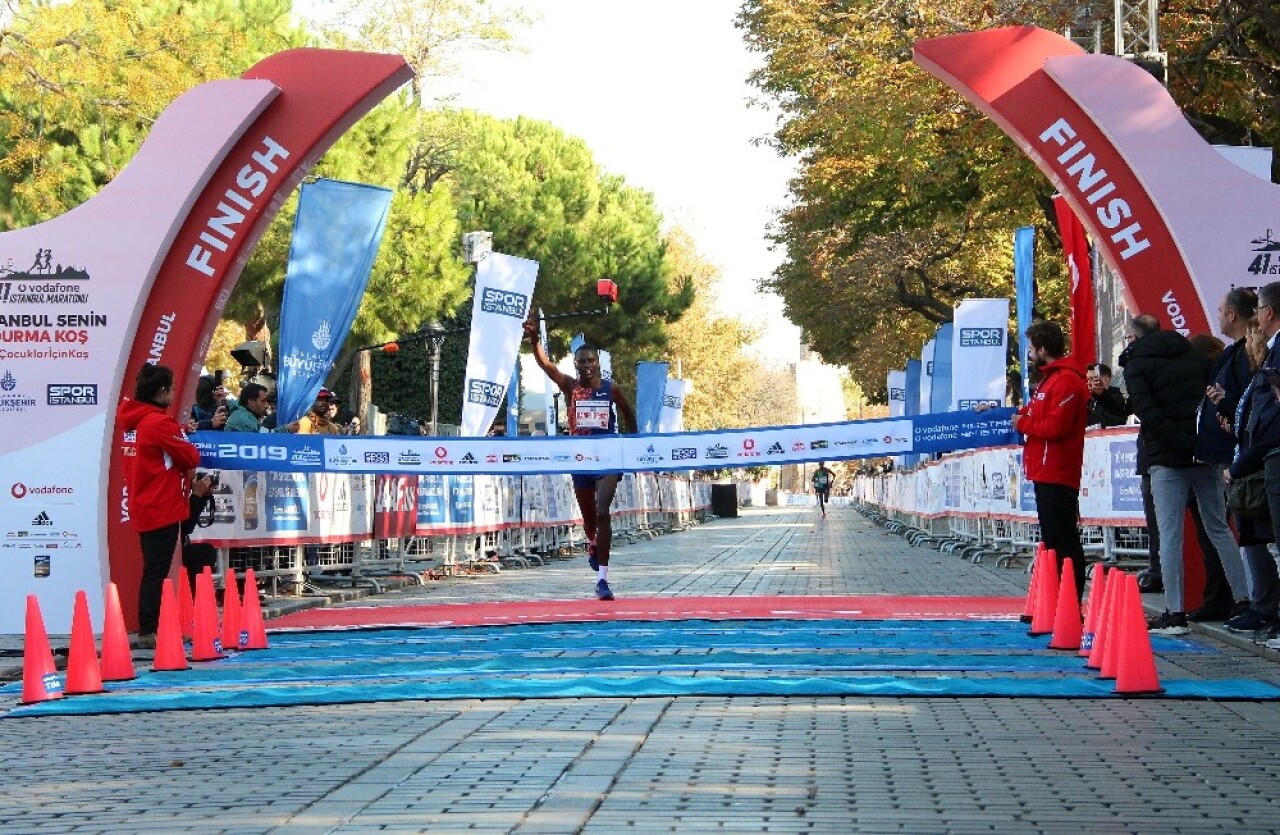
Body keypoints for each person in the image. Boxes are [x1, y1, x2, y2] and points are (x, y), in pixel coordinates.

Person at [1120, 314, 1249, 635]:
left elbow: (1147, 412)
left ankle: (1174, 613)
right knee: (1219, 528)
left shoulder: (1136, 364)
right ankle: (1245, 601)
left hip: (1167, 458)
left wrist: (1179, 443)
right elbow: (1207, 403)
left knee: (1170, 535)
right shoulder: (1192, 353)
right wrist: (1199, 445)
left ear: (1134, 337)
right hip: (1203, 455)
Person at [524, 318, 636, 600]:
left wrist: (632, 446)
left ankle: (603, 580)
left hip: (608, 457)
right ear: (576, 365)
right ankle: (592, 543)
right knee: (589, 519)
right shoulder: (571, 387)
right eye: (581, 362)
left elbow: (629, 414)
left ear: (598, 363)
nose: (586, 365)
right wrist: (535, 340)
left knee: (602, 512)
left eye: (590, 361)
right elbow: (546, 365)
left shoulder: (611, 389)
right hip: (581, 459)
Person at [117, 364, 202, 648]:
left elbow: (162, 447)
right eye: (173, 388)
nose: (175, 393)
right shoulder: (157, 424)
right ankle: (148, 630)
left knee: (154, 569)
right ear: (162, 391)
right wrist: (181, 435)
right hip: (162, 505)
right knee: (156, 571)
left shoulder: (136, 421)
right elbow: (190, 457)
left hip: (144, 503)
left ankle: (151, 627)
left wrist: (178, 431)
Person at [1010, 321, 1088, 604]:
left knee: (1063, 539)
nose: (1030, 354)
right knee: (1053, 540)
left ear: (1043, 349)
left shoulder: (1067, 379)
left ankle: (1070, 600)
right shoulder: (1050, 379)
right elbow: (1030, 412)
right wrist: (1012, 416)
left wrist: (1024, 424)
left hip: (1058, 470)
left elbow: (1055, 427)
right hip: (1044, 469)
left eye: (1031, 349)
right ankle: (1057, 600)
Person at [182, 473, 219, 593]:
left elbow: (187, 526)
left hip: (176, 543)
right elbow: (185, 527)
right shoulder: (169, 486)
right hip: (164, 545)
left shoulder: (182, 488)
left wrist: (203, 496)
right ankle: (193, 599)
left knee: (206, 551)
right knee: (205, 552)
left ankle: (196, 599)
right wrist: (197, 495)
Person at [1084, 363, 1130, 428]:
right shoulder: (1090, 401)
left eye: (1093, 379)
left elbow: (1118, 422)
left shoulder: (1116, 398)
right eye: (1088, 379)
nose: (1089, 383)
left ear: (1106, 380)